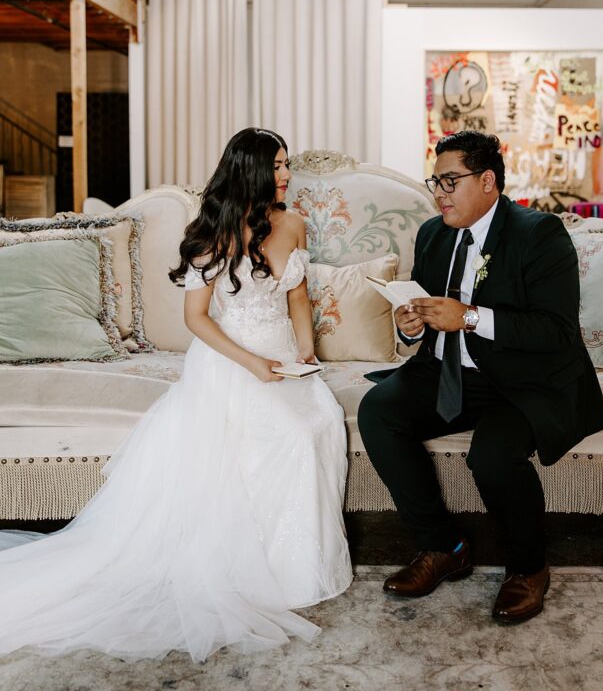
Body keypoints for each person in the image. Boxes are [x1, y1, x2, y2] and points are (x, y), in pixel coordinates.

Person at [0, 128, 352, 661]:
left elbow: (298, 296)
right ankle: (266, 574)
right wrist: (254, 364)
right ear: (251, 171)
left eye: (286, 165)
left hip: (285, 360)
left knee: (321, 423)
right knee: (290, 437)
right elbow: (196, 319)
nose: (286, 174)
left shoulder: (295, 223)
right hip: (232, 362)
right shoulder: (213, 234)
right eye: (278, 166)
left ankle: (301, 568)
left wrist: (305, 352)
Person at [358, 130, 603, 624]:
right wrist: (413, 325)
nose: (439, 193)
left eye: (450, 181)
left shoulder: (540, 233)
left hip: (525, 381)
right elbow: (430, 315)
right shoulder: (432, 234)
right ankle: (443, 546)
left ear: (488, 180)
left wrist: (469, 317)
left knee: (491, 455)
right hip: (450, 371)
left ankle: (528, 568)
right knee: (379, 411)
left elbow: (556, 332)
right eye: (436, 181)